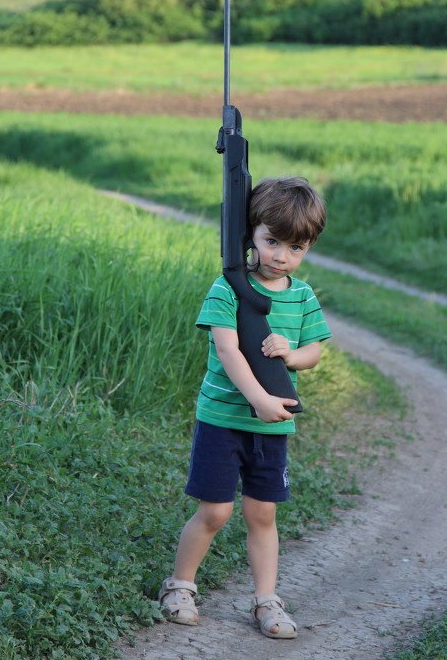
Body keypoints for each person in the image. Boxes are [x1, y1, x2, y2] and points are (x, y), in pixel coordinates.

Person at [159, 177, 331, 639]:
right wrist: (257, 398)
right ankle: (179, 586)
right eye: (271, 241)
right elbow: (228, 351)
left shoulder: (303, 296)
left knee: (263, 514)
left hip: (271, 427)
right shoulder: (227, 287)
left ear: (308, 248)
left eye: (295, 247)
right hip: (223, 419)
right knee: (214, 512)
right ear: (249, 234)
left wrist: (291, 355)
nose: (280, 256)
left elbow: (315, 351)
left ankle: (266, 600)